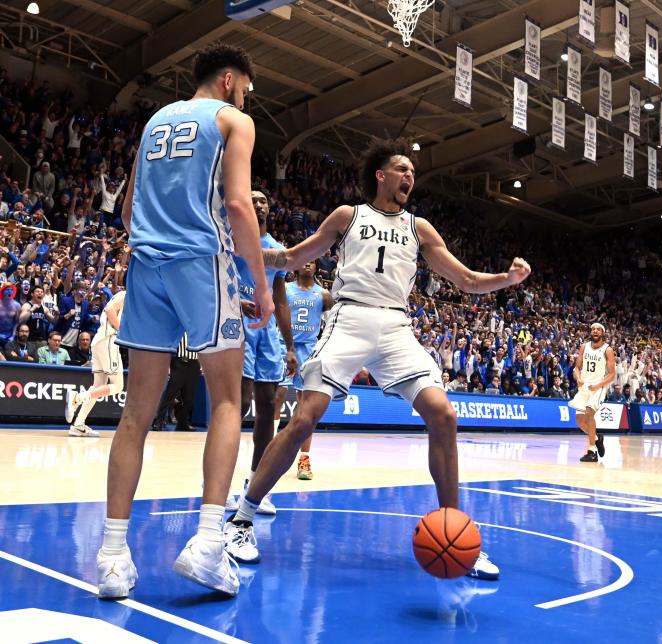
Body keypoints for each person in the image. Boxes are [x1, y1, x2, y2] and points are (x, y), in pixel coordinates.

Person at [222, 138, 529, 579]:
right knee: (305, 419)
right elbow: (291, 257)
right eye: (401, 169)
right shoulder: (349, 216)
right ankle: (243, 517)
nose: (409, 176)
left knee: (443, 415)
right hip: (349, 317)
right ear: (381, 175)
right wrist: (245, 252)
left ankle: (456, 532)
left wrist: (507, 278)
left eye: (413, 172)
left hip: (396, 326)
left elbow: (466, 280)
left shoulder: (419, 228)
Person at [94, 42, 273, 600]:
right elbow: (240, 207)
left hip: (146, 266)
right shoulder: (230, 120)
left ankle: (112, 559)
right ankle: (207, 544)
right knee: (226, 402)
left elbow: (127, 212)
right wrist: (260, 285)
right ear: (227, 80)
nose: (247, 96)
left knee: (135, 417)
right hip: (202, 262)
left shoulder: (154, 122)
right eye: (245, 86)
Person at [224, 190, 297, 517]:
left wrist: (291, 345)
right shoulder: (230, 237)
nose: (258, 203)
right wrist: (237, 302)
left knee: (268, 407)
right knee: (236, 402)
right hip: (236, 322)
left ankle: (255, 486)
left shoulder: (279, 250)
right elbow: (217, 279)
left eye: (264, 200)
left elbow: (281, 301)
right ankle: (219, 483)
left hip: (267, 332)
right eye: (252, 199)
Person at [277, 259, 332, 481]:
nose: (308, 265)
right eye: (304, 262)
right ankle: (267, 452)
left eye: (312, 263)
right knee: (277, 397)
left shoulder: (324, 295)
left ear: (317, 268)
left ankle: (304, 460)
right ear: (297, 266)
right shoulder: (286, 289)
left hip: (309, 351)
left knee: (306, 406)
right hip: (284, 346)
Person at [65, 291, 125, 437]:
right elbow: (109, 310)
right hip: (109, 341)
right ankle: (77, 398)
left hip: (100, 341)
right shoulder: (126, 294)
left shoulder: (127, 296)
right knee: (117, 386)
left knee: (98, 386)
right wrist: (122, 331)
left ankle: (78, 424)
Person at [570, 323, 615, 463]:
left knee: (589, 413)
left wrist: (598, 385)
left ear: (602, 333)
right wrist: (578, 379)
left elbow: (612, 375)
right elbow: (577, 368)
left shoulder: (607, 350)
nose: (595, 331)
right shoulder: (584, 347)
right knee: (579, 420)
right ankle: (597, 438)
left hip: (599, 386)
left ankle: (592, 451)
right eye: (593, 329)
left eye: (598, 329)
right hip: (584, 386)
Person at [152, 333, 202, 432]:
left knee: (189, 397)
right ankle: (158, 421)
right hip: (179, 363)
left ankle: (183, 423)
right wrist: (167, 365)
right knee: (170, 394)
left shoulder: (197, 329)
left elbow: (203, 347)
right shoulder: (178, 328)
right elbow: (168, 346)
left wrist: (203, 364)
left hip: (194, 364)